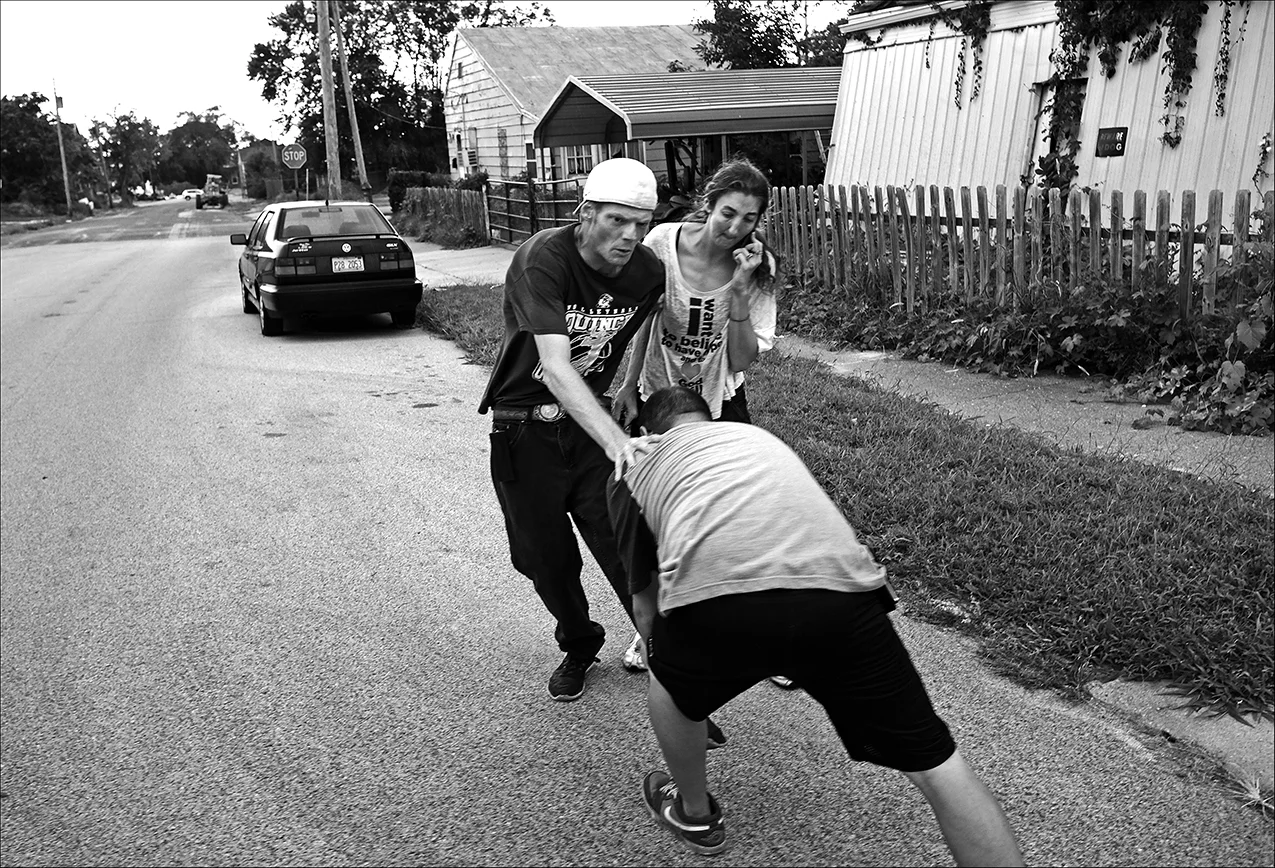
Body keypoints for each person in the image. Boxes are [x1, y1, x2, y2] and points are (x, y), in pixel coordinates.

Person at [607, 386, 1025, 864]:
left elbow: (645, 605)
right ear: (710, 419)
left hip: (719, 600)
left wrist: (674, 669)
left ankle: (694, 813)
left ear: (645, 432)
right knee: (936, 762)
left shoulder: (637, 460)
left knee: (669, 688)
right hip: (841, 594)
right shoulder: (757, 439)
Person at [478, 157, 664, 703]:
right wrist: (619, 443)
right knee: (543, 558)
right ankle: (580, 643)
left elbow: (647, 326)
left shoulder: (646, 272)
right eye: (616, 220)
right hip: (523, 430)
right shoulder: (543, 259)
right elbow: (556, 368)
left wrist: (628, 383)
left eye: (640, 223)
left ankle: (676, 672)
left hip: (591, 430)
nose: (630, 235)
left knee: (625, 546)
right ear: (585, 214)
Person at [611, 157, 787, 683]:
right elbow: (642, 313)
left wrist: (739, 288)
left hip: (719, 403)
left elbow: (740, 360)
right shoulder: (662, 242)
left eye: (749, 218)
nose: (735, 227)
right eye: (727, 212)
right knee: (655, 520)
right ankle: (653, 629)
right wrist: (628, 382)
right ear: (707, 204)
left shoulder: (759, 269)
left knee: (734, 521)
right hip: (659, 402)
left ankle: (764, 639)